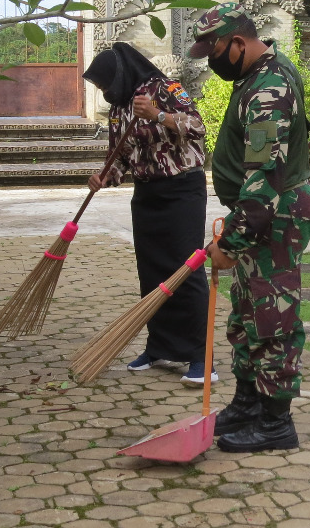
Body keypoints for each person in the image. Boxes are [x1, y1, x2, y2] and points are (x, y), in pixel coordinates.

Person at [188, 3, 310, 453]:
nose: (210, 60)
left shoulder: (269, 87)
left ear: (238, 43)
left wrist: (233, 237)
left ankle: (275, 423)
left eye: (213, 49)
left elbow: (265, 179)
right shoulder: (254, 77)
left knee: (272, 317)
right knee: (247, 312)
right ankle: (247, 404)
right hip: (258, 213)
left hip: (274, 215)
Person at [82, 42, 213, 386]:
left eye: (104, 85)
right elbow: (120, 158)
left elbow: (198, 127)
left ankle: (201, 357)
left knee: (186, 270)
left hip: (182, 190)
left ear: (119, 75)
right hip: (147, 195)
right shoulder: (119, 107)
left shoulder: (165, 89)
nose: (104, 92)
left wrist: (158, 115)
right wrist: (104, 176)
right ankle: (160, 346)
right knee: (152, 271)